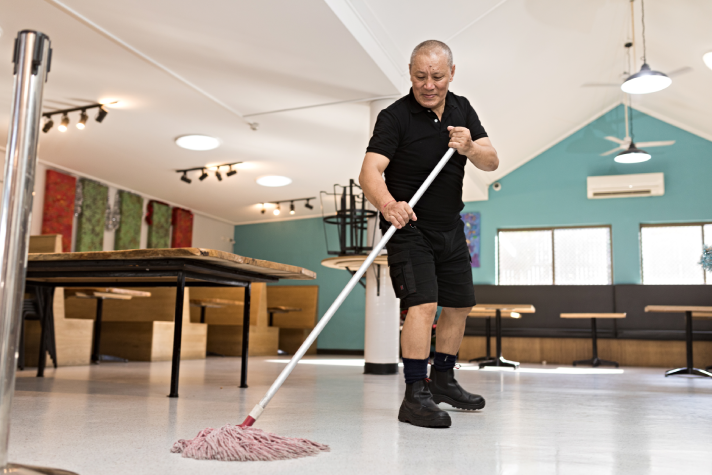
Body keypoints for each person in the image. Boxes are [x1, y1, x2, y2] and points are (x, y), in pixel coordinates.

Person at [359, 40, 499, 428]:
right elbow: (369, 173)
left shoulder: (462, 108)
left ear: (452, 73)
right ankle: (415, 394)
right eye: (420, 76)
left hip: (450, 227)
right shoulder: (394, 116)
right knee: (422, 305)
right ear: (409, 73)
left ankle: (443, 380)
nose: (429, 84)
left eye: (437, 76)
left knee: (459, 305)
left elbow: (491, 160)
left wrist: (469, 146)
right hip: (409, 227)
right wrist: (388, 205)